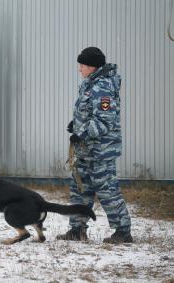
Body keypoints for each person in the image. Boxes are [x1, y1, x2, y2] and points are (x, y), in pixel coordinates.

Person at [56, 47, 133, 244]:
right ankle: (77, 229)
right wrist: (76, 125)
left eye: (82, 65)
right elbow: (90, 113)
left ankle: (123, 231)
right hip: (86, 149)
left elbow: (105, 120)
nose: (80, 69)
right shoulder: (90, 84)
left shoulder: (103, 86)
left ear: (92, 67)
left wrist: (82, 132)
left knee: (107, 189)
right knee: (80, 188)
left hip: (101, 150)